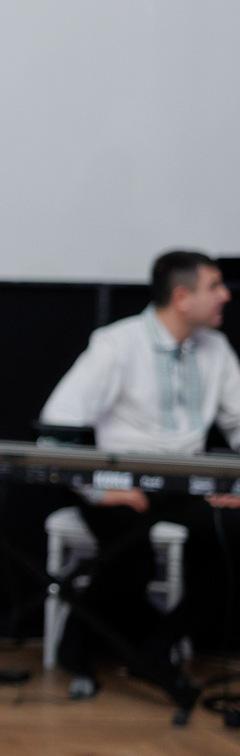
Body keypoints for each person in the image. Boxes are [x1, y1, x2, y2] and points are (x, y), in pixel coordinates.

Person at [40, 251, 240, 702]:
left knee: (232, 538)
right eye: (215, 286)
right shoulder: (117, 344)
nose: (226, 296)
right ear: (182, 297)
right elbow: (57, 427)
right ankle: (79, 646)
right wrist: (96, 491)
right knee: (130, 557)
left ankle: (155, 647)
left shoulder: (217, 349)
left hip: (187, 483)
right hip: (121, 484)